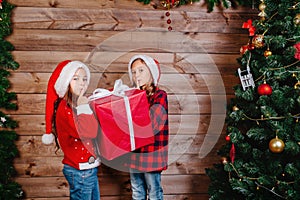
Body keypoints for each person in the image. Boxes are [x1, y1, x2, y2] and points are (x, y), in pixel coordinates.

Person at [42, 60, 101, 200]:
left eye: (84, 79)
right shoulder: (66, 108)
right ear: (66, 82)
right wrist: (84, 108)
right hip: (80, 171)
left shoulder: (78, 104)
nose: (82, 83)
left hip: (88, 168)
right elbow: (89, 132)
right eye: (76, 78)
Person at [127, 55, 169, 200]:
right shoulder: (130, 97)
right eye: (134, 72)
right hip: (135, 152)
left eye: (141, 70)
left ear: (151, 72)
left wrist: (138, 99)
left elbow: (153, 124)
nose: (137, 75)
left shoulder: (160, 96)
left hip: (151, 153)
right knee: (137, 191)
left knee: (153, 192)